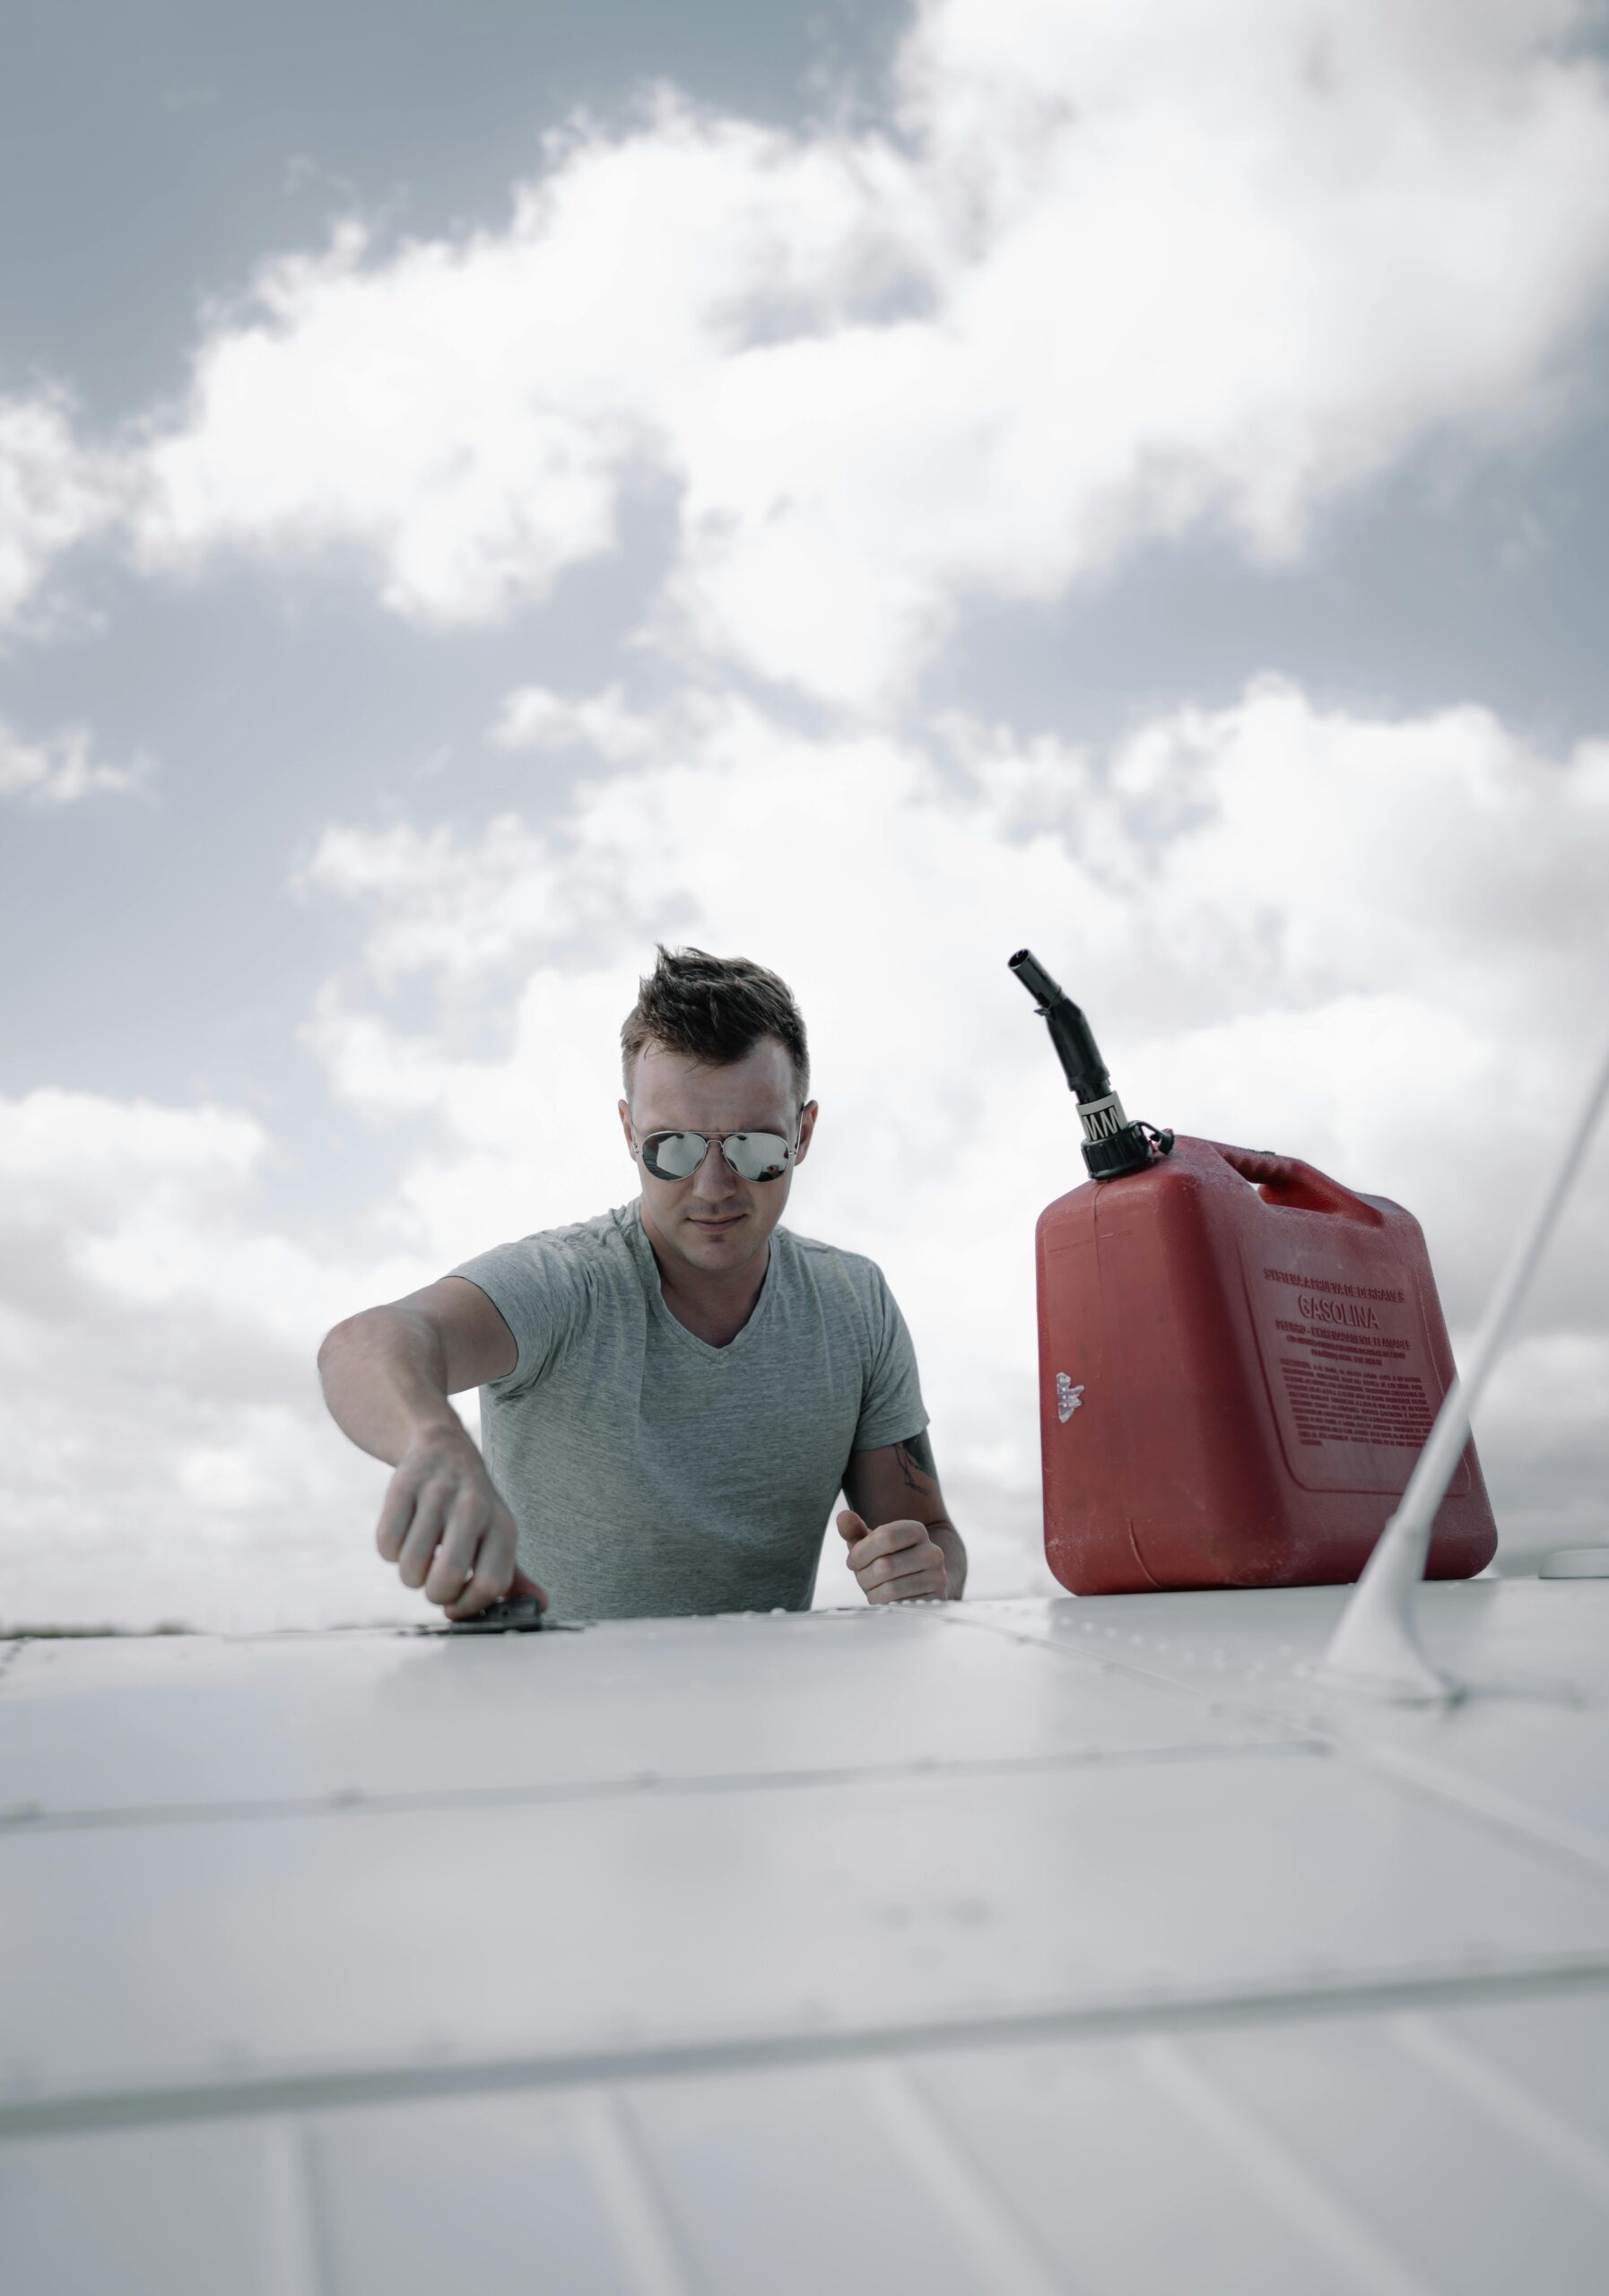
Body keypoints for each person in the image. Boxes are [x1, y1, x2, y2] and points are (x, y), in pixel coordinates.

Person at [317, 945, 966, 1622]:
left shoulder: (854, 1305)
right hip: (553, 1712)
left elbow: (932, 1538)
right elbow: (365, 1341)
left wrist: (927, 1573)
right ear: (630, 1132)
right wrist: (431, 1439)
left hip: (772, 1712)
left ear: (802, 1135)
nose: (713, 1187)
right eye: (673, 1147)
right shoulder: (565, 1284)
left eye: (755, 1148)